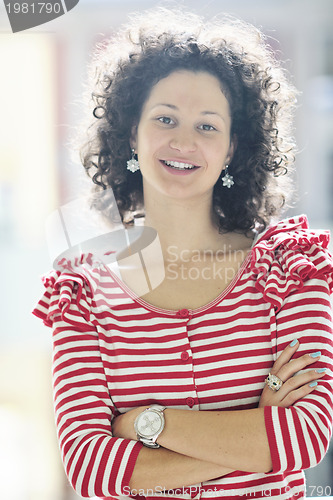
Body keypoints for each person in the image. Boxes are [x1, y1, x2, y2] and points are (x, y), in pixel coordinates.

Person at [33, 7, 333, 500]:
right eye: (165, 118)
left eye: (208, 126)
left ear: (233, 148)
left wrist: (145, 425)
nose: (184, 141)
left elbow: (305, 436)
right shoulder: (81, 288)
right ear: (133, 133)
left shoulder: (289, 267)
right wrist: (255, 437)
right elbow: (88, 467)